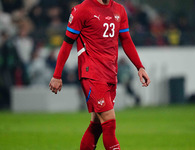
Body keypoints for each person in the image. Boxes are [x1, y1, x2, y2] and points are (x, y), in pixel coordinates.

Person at [49, 0, 150, 149]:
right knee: (109, 122)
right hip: (92, 73)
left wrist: (140, 67)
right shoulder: (82, 9)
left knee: (96, 125)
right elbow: (67, 43)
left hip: (110, 73)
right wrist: (57, 75)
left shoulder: (119, 10)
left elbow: (126, 40)